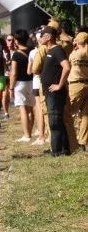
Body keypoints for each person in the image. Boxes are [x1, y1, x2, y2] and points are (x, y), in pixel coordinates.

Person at [40, 26, 72, 156]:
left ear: (48, 37)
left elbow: (67, 67)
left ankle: (57, 151)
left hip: (55, 93)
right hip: (49, 92)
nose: (40, 38)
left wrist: (59, 85)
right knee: (56, 121)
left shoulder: (57, 50)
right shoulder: (49, 50)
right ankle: (64, 150)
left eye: (42, 35)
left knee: (54, 121)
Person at [9, 29, 34, 142]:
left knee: (23, 108)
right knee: (30, 108)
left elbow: (13, 73)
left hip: (20, 83)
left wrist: (11, 87)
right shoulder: (32, 51)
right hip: (32, 81)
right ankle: (30, 132)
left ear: (16, 41)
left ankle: (26, 134)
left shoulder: (16, 54)